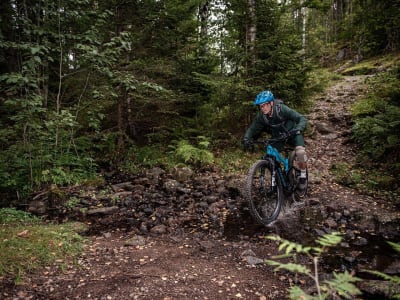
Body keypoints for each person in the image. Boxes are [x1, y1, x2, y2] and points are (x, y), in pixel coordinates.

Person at [242, 90, 308, 190]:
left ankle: (303, 176)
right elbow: (253, 128)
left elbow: (301, 118)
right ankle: (279, 180)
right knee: (271, 156)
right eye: (261, 106)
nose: (263, 108)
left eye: (265, 105)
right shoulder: (262, 116)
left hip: (293, 133)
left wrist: (298, 128)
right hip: (278, 136)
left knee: (300, 152)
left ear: (271, 103)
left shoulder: (282, 109)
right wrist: (246, 138)